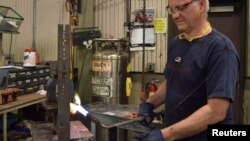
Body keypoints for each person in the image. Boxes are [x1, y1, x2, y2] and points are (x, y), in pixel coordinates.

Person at [137, 0, 240, 141]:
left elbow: (216, 111)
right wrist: (150, 103)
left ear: (202, 5)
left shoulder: (220, 49)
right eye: (172, 10)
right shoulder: (177, 43)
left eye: (181, 8)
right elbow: (172, 82)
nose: (175, 16)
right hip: (179, 135)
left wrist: (165, 135)